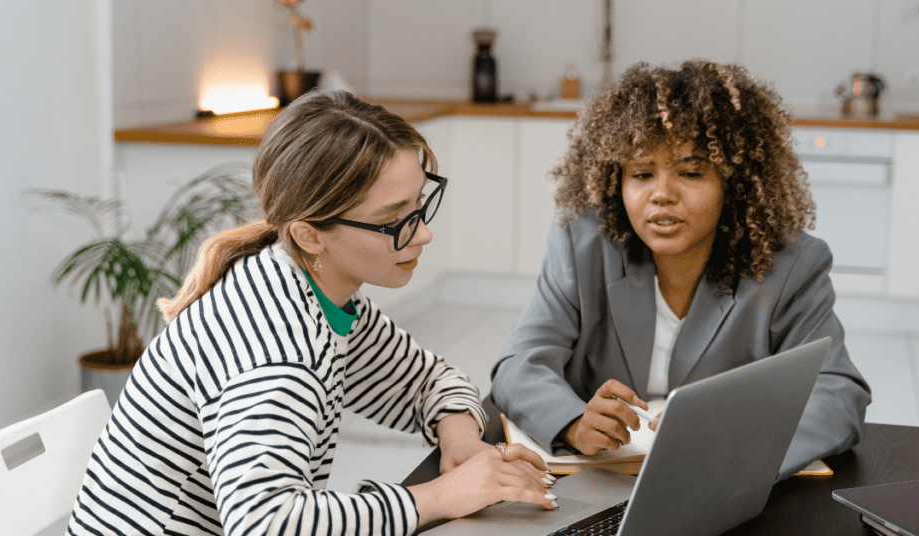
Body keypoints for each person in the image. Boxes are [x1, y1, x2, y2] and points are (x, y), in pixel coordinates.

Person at [67, 91, 557, 536]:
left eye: (419, 207)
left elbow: (428, 380)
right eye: (394, 221)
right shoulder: (276, 350)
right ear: (309, 235)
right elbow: (267, 523)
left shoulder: (319, 295)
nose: (423, 235)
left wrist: (462, 439)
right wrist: (437, 497)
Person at [490, 61, 871, 480]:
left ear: (733, 181)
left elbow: (838, 394)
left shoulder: (790, 264)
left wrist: (737, 449)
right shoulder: (582, 245)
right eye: (641, 173)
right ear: (616, 181)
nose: (662, 195)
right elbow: (519, 364)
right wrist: (573, 422)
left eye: (691, 172)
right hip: (597, 483)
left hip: (719, 491)